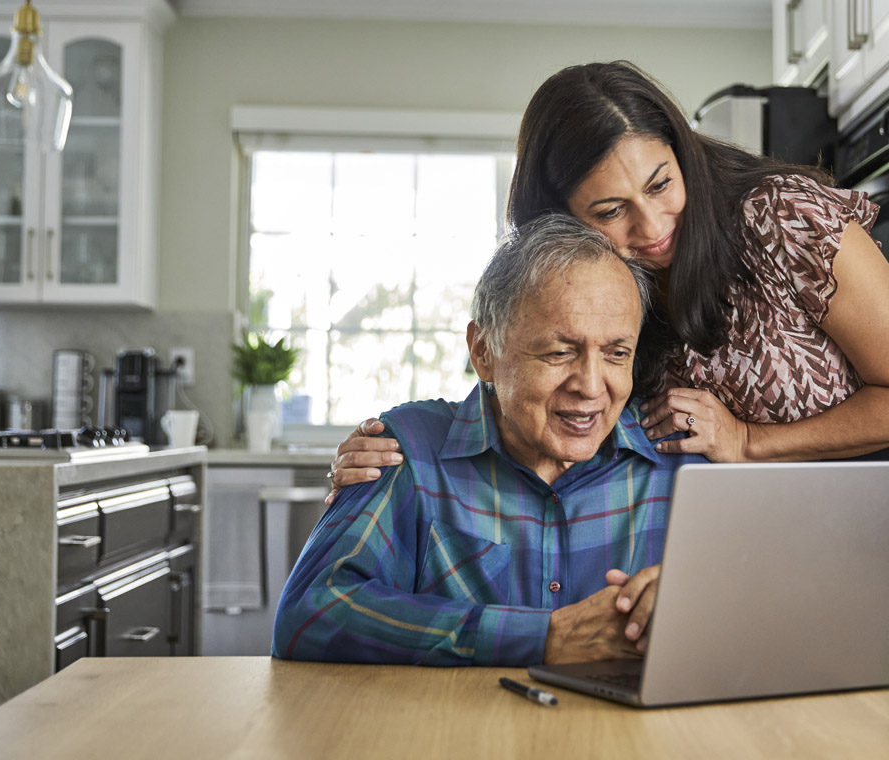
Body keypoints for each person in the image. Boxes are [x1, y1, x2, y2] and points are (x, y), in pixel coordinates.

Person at [327, 60, 889, 503]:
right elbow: (521, 395)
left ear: (681, 152)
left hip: (857, 518)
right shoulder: (590, 287)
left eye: (661, 183)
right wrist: (390, 459)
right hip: (725, 536)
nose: (652, 228)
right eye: (610, 210)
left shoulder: (782, 217)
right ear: (560, 218)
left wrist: (748, 442)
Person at [272, 215, 706, 666]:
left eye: (617, 354)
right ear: (483, 351)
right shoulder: (409, 451)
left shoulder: (681, 462)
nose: (592, 386)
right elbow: (309, 613)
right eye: (560, 353)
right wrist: (544, 637)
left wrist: (702, 609)